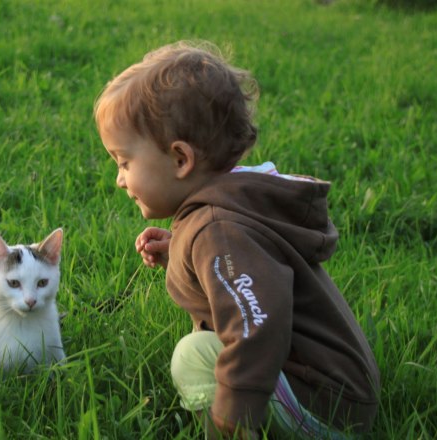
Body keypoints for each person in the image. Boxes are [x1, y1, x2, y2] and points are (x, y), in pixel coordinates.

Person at [94, 40, 380, 439]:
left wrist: (236, 404)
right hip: (339, 396)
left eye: (124, 162)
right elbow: (240, 269)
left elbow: (257, 320)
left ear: (181, 159)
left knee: (193, 356)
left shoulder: (219, 230)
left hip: (324, 408)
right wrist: (180, 250)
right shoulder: (230, 205)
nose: (120, 179)